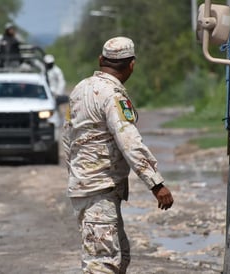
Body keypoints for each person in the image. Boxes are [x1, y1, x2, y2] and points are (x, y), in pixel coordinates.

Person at [62, 36, 174, 274]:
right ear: (131, 64)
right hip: (98, 189)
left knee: (119, 256)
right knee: (102, 264)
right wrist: (156, 183)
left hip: (86, 186)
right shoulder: (113, 95)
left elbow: (67, 138)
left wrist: (76, 175)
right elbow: (129, 141)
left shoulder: (79, 89)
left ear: (101, 60)